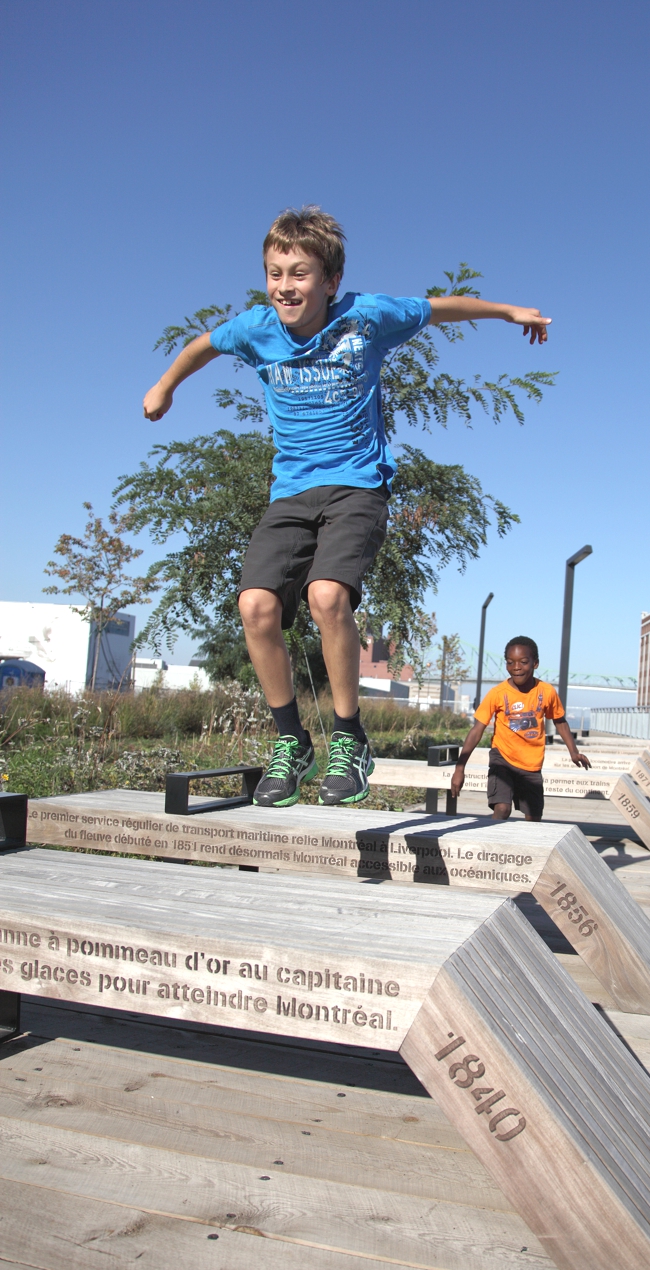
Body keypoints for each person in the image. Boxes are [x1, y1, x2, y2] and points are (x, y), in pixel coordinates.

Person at [143, 207, 550, 808]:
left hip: (358, 487)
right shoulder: (256, 329)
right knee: (254, 605)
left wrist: (509, 311)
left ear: (330, 281)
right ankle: (291, 740)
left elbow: (442, 307)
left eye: (300, 274)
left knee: (326, 596)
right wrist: (165, 385)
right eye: (275, 273)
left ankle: (349, 737)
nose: (286, 286)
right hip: (291, 492)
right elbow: (202, 344)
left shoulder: (367, 317)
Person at [450, 637, 590, 821]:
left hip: (531, 764)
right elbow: (477, 730)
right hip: (502, 759)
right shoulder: (497, 693)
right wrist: (460, 768)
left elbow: (560, 721)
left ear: (535, 663)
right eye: (510, 662)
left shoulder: (546, 692)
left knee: (533, 818)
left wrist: (574, 752)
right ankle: (492, 846)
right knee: (502, 808)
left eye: (523, 662)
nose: (516, 667)